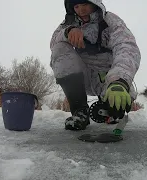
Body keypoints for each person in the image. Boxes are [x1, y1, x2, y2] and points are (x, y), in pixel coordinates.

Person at [50, 0, 141, 130]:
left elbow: (126, 48)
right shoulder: (68, 24)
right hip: (82, 78)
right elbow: (54, 43)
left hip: (110, 78)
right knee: (59, 48)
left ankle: (110, 109)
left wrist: (120, 80)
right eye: (76, 6)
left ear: (95, 3)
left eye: (85, 4)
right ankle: (79, 112)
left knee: (117, 104)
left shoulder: (110, 21)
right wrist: (67, 32)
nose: (81, 10)